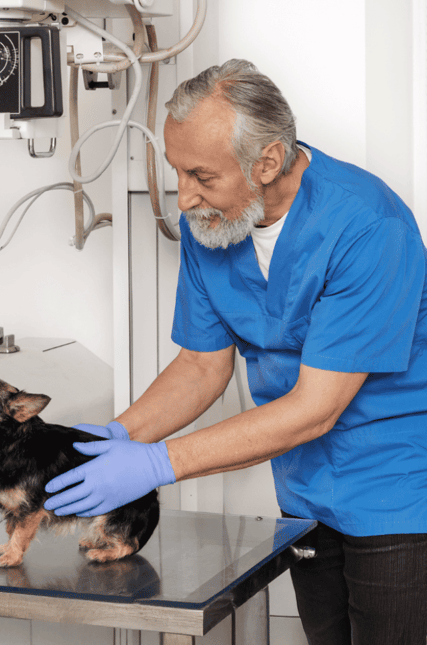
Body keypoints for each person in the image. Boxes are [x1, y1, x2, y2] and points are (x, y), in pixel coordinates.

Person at [45, 59, 427, 644]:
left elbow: (316, 408)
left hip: (399, 491)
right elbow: (202, 366)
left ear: (267, 162)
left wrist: (157, 463)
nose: (185, 197)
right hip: (303, 489)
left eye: (201, 175)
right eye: (177, 172)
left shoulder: (367, 226)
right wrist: (117, 438)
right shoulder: (215, 224)